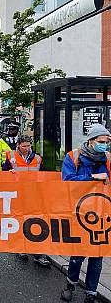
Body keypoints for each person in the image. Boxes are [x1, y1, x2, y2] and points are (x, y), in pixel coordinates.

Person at [60, 124, 111, 303]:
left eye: (107, 142)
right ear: (90, 140)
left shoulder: (108, 159)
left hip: (102, 215)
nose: (104, 145)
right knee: (78, 255)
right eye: (101, 141)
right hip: (79, 214)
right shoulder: (73, 157)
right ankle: (70, 285)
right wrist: (91, 179)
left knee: (97, 258)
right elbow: (67, 181)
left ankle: (91, 293)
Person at [1, 134, 50, 267]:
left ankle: (38, 253)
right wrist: (8, 173)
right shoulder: (10, 156)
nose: (27, 148)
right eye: (24, 146)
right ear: (18, 145)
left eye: (29, 146)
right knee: (20, 221)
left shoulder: (38, 158)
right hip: (17, 195)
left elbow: (43, 175)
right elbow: (2, 174)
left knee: (35, 222)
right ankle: (21, 248)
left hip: (34, 195)